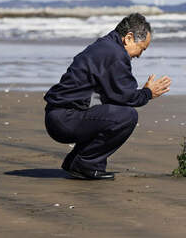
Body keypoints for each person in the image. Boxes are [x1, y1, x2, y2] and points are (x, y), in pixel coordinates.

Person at [44, 13, 171, 180]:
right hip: (64, 119)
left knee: (116, 111)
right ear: (129, 38)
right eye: (142, 48)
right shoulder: (114, 53)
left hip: (59, 116)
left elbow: (116, 96)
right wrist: (148, 93)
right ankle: (85, 165)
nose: (140, 55)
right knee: (127, 116)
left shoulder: (106, 46)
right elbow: (128, 97)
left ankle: (76, 162)